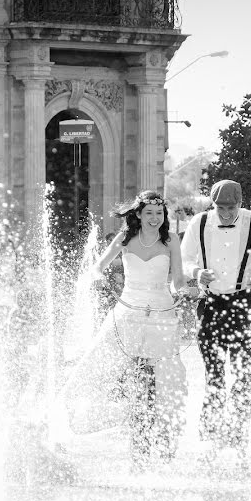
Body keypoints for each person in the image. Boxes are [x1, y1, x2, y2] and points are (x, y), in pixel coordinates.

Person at [64, 190, 191, 470]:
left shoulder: (170, 241)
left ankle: (161, 439)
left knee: (162, 381)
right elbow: (97, 268)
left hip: (160, 313)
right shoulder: (125, 239)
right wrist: (99, 281)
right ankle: (138, 442)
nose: (155, 218)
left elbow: (178, 282)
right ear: (138, 214)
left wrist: (191, 289)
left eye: (159, 214)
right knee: (132, 377)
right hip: (128, 312)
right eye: (149, 213)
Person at [180, 179, 251, 471]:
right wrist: (196, 272)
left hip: (243, 304)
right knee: (213, 373)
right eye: (220, 207)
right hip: (211, 304)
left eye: (232, 207)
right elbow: (184, 258)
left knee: (241, 374)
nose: (226, 213)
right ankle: (211, 439)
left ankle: (239, 440)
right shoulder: (199, 224)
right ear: (212, 204)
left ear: (240, 202)